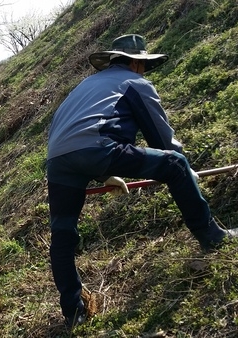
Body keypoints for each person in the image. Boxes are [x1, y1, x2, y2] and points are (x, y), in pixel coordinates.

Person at [46, 34, 238, 329]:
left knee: (63, 232)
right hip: (97, 148)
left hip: (57, 160)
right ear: (137, 62)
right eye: (145, 65)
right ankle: (212, 237)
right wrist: (184, 169)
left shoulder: (85, 86)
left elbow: (73, 133)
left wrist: (102, 173)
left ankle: (73, 312)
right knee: (174, 164)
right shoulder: (135, 83)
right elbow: (162, 140)